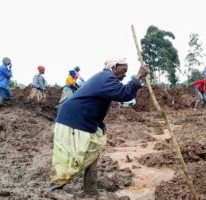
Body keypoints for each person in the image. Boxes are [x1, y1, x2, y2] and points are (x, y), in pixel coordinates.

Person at [50, 58, 148, 196]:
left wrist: (100, 125)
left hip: (83, 120)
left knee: (94, 150)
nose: (125, 74)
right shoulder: (106, 78)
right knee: (71, 156)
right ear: (114, 66)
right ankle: (55, 189)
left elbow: (98, 103)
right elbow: (124, 94)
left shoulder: (105, 79)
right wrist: (138, 77)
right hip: (73, 120)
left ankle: (90, 190)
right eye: (123, 70)